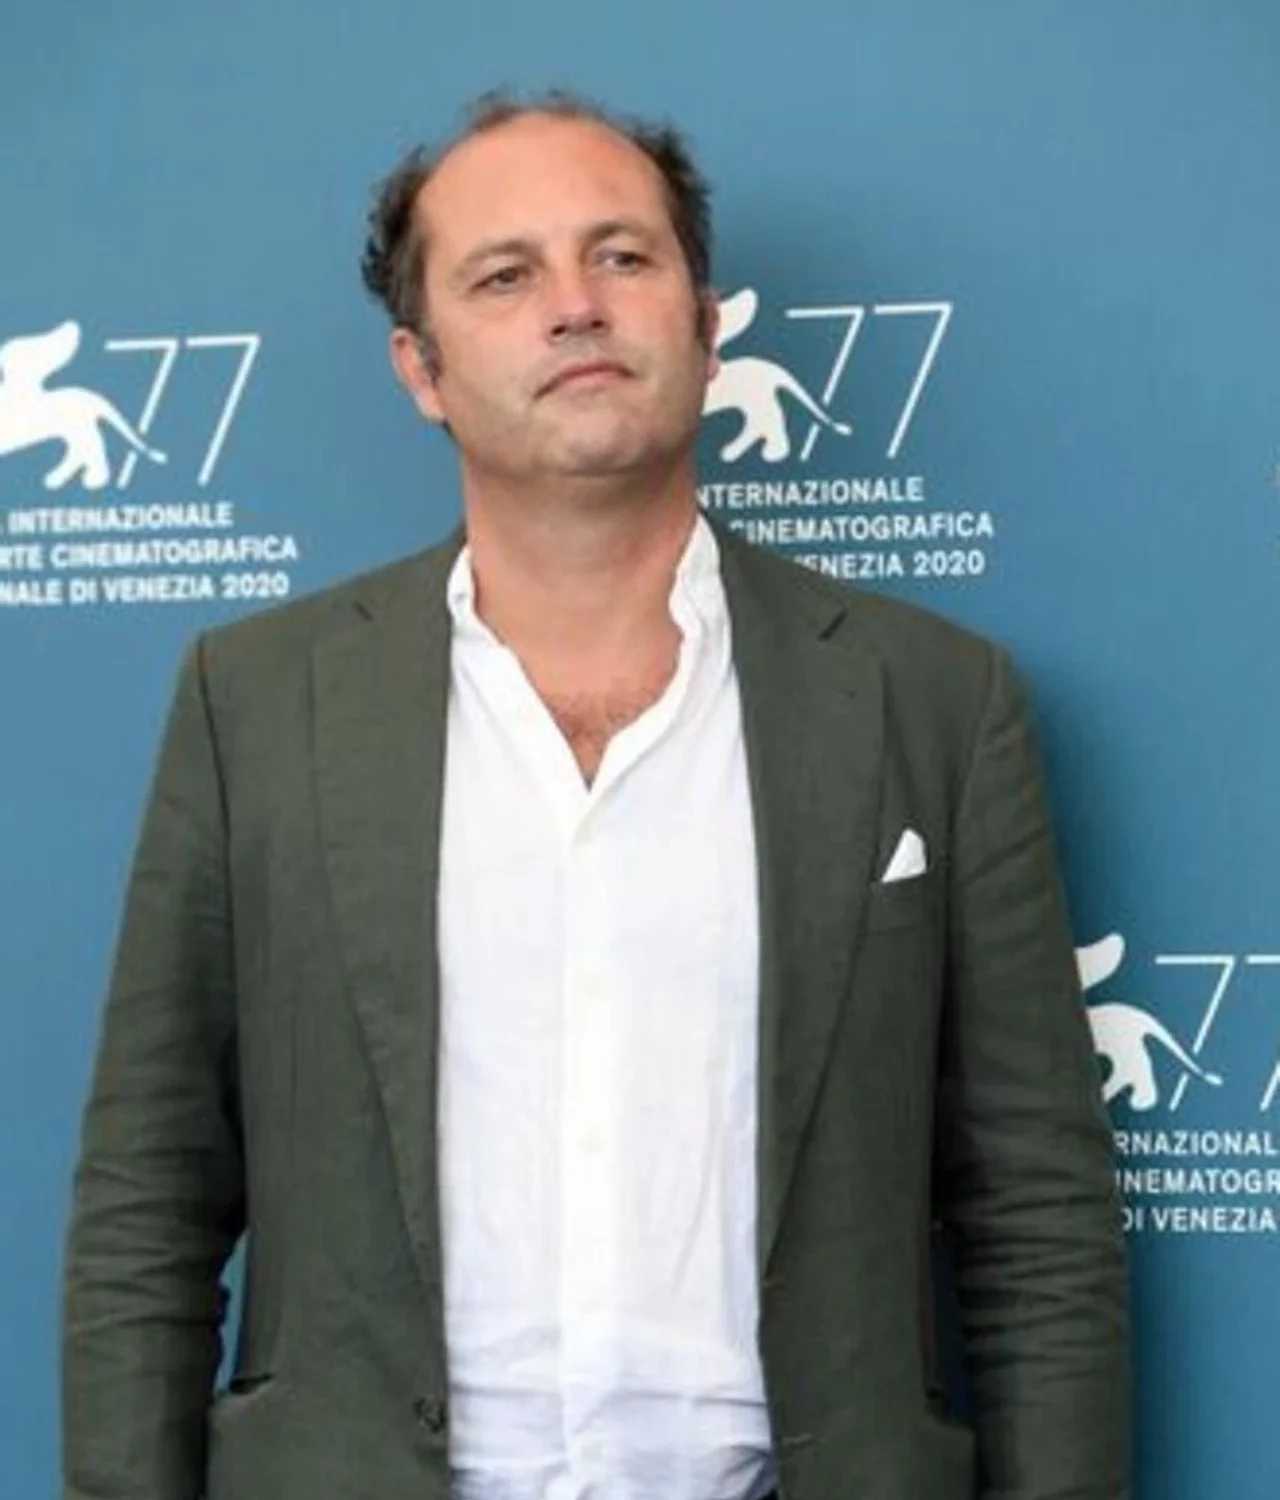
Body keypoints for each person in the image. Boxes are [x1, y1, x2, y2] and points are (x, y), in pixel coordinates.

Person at [62, 91, 1130, 1500]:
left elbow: (1038, 1217)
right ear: (422, 368)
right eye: (505, 276)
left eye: (622, 256)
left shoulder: (937, 701)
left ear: (706, 323)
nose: (576, 305)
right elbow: (148, 1201)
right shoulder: (252, 702)